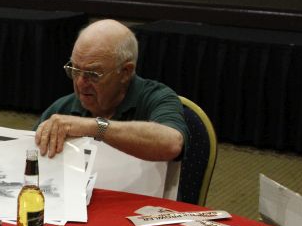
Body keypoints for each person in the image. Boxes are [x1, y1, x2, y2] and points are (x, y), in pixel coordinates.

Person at [35, 19, 188, 162]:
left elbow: (172, 144)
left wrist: (95, 127)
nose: (80, 83)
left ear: (126, 72)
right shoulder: (62, 109)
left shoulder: (157, 98)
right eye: (75, 70)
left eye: (93, 74)